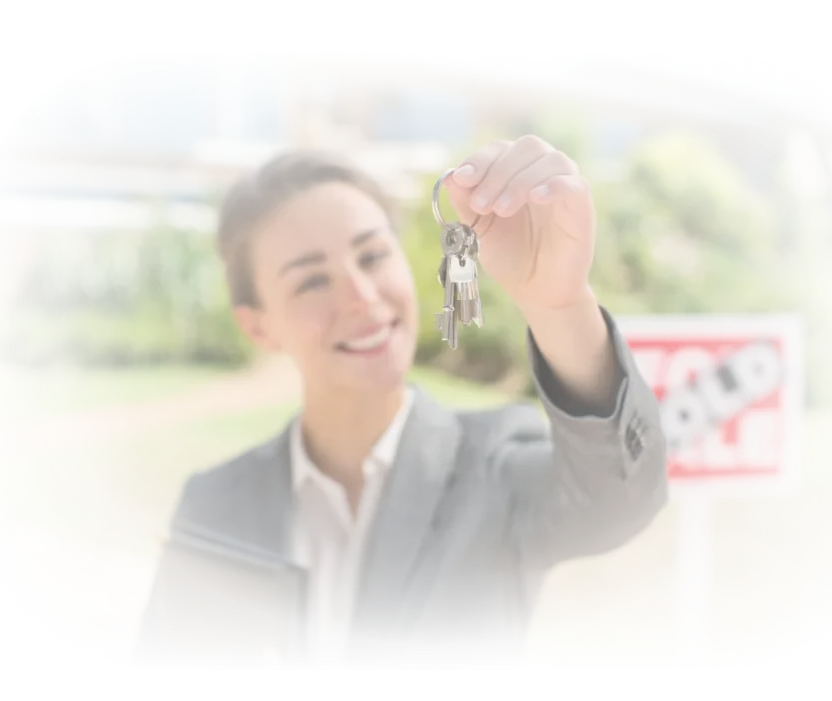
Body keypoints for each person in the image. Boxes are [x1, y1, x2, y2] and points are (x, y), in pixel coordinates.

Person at [130, 135, 668, 671]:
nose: (362, 297)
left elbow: (618, 499)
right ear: (258, 326)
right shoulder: (213, 507)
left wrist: (560, 305)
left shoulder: (494, 466)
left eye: (373, 255)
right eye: (312, 280)